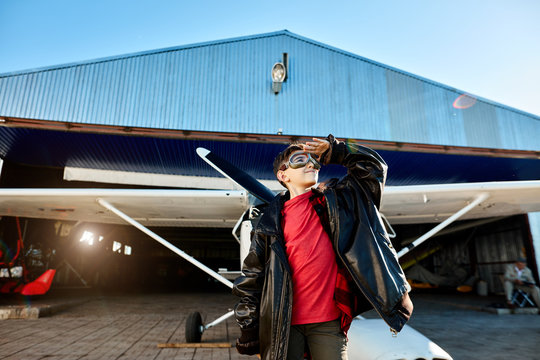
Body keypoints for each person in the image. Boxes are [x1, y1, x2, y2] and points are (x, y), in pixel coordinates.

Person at [232, 134, 413, 360]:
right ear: (282, 175)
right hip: (283, 325)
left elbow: (374, 168)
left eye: (314, 160)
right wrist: (249, 326)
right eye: (300, 159)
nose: (310, 163)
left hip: (328, 322)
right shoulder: (268, 223)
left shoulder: (342, 201)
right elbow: (252, 277)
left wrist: (336, 151)